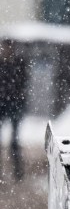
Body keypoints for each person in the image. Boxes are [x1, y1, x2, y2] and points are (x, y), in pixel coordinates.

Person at [0, 38, 28, 181]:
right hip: (3, 104)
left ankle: (18, 172)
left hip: (15, 105)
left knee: (14, 140)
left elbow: (24, 83)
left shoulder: (19, 63)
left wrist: (19, 98)